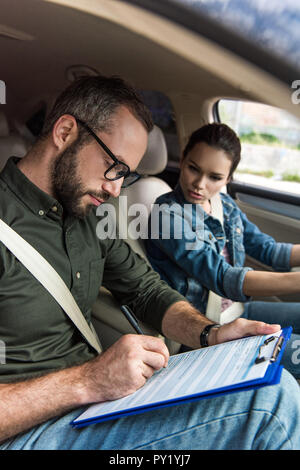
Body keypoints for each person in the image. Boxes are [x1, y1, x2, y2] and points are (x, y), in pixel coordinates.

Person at [0, 78, 299, 451]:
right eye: (114, 167)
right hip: (28, 432)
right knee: (270, 405)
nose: (115, 189)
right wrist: (88, 381)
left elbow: (146, 290)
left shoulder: (90, 217)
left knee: (265, 379)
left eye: (127, 175)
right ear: (65, 132)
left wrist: (210, 335)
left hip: (94, 404)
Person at [146, 122, 300, 379]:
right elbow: (221, 277)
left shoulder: (225, 205)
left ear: (228, 179)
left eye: (214, 177)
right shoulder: (166, 216)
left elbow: (268, 249)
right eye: (193, 169)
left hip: (239, 312)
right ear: (182, 160)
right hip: (206, 328)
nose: (199, 184)